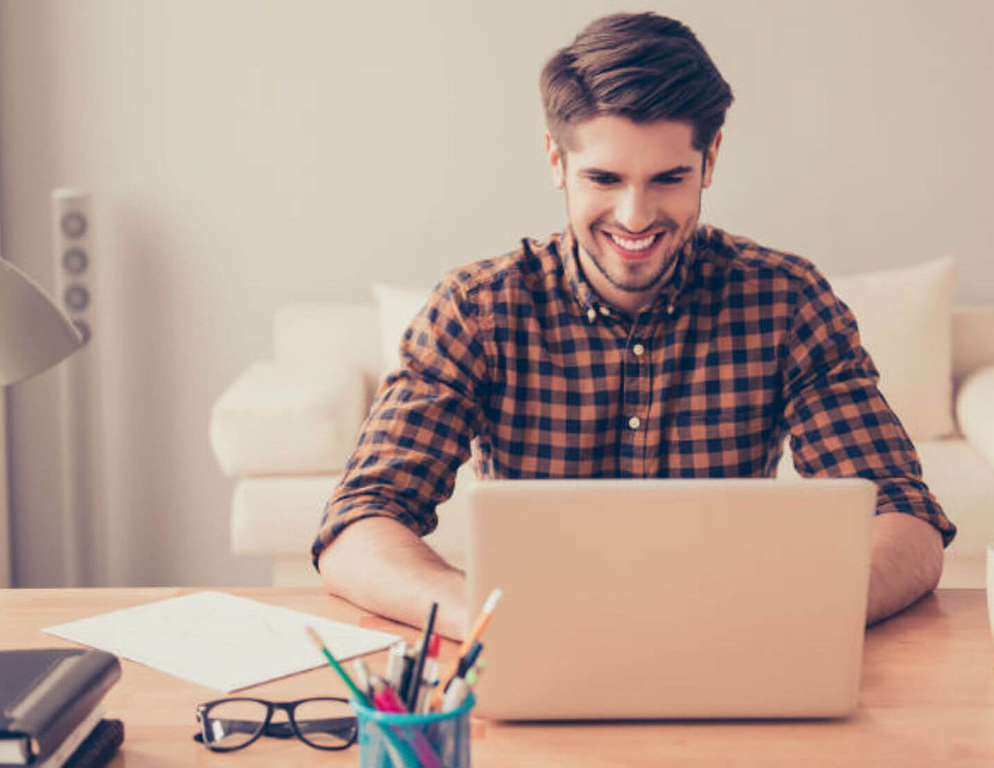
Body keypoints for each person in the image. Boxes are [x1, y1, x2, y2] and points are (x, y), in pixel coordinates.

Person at [311, 12, 955, 641]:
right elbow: (358, 523)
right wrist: (477, 615)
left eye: (668, 178)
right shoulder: (476, 310)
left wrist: (800, 616)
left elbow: (906, 516)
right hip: (535, 649)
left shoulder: (786, 302)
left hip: (732, 645)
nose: (635, 216)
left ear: (710, 161)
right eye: (604, 178)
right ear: (556, 162)